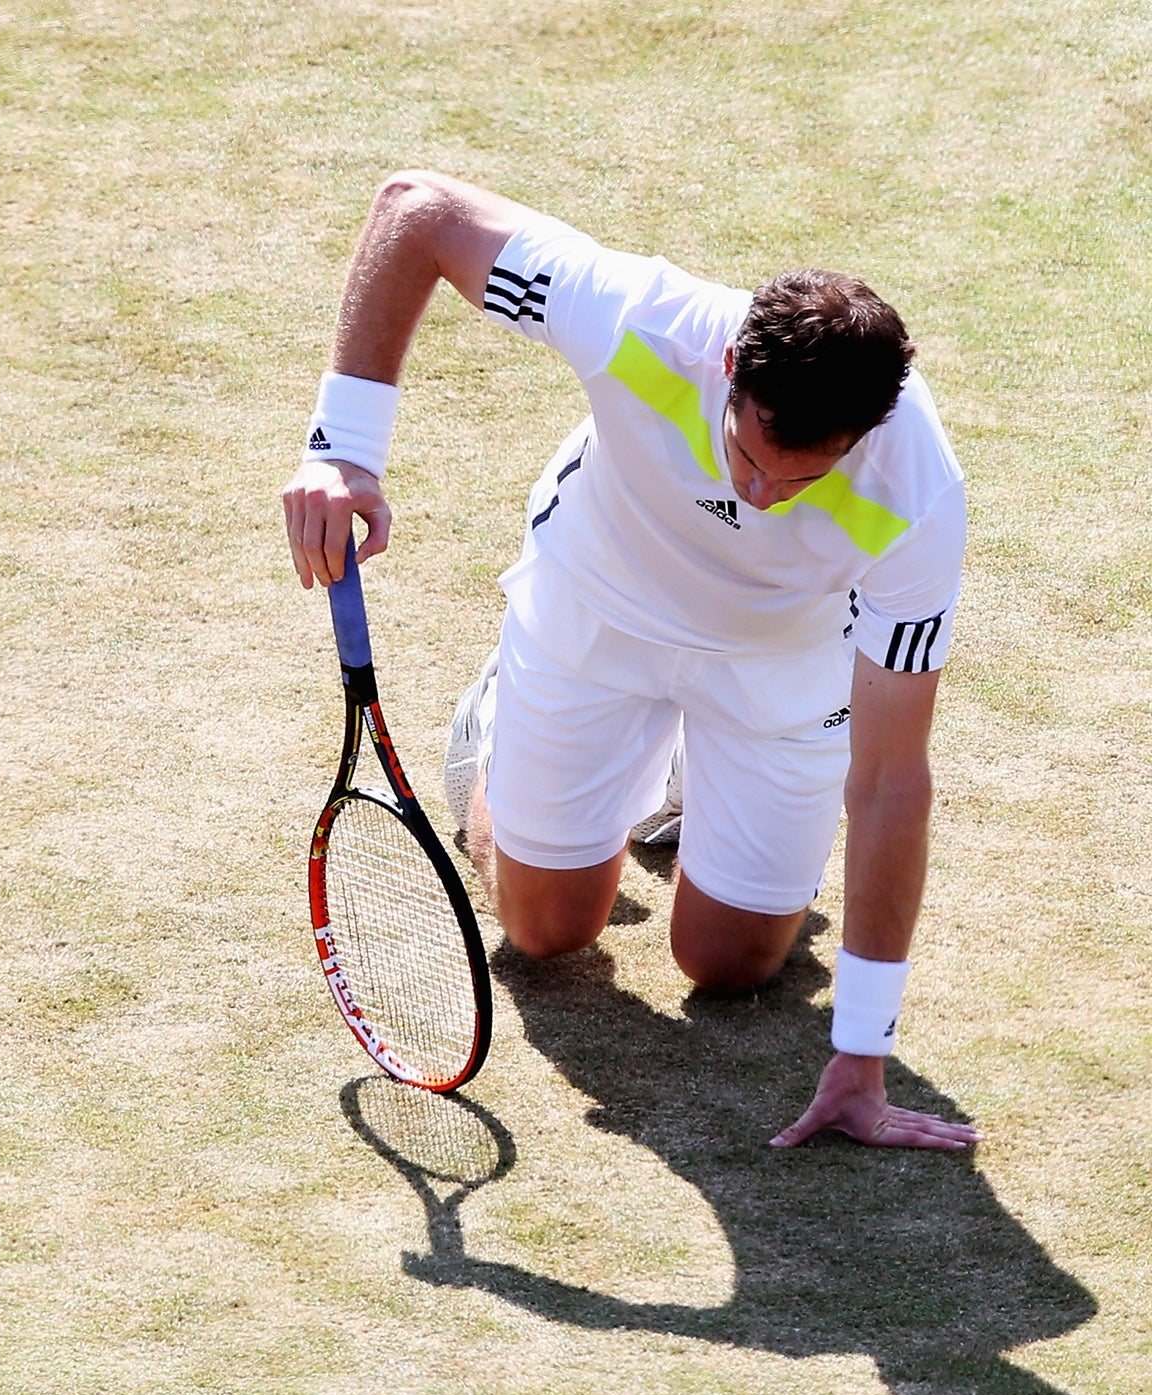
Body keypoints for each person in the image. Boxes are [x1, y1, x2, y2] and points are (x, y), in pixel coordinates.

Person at [281, 171, 979, 1152]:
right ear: (727, 365)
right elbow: (416, 212)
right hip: (597, 608)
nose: (762, 495)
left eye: (802, 479)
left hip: (775, 668)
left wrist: (860, 1053)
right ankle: (494, 727)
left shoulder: (918, 494)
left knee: (727, 963)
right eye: (748, 457)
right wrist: (341, 450)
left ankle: (683, 779)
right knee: (548, 931)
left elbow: (890, 780)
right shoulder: (638, 319)